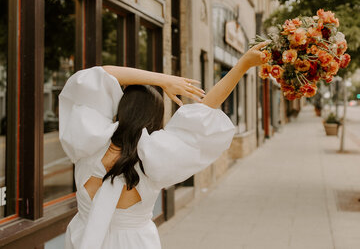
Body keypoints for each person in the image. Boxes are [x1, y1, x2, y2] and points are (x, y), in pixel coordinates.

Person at [61, 41, 269, 249]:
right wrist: (243, 65)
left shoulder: (88, 142)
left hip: (81, 238)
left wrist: (162, 80)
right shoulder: (154, 156)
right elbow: (205, 112)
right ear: (154, 119)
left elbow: (100, 75)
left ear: (120, 107)